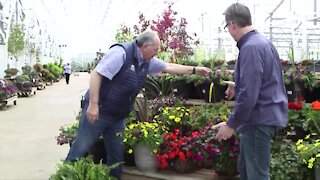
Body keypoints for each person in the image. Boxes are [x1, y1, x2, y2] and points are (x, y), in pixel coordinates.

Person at [66, 30, 212, 179]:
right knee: (80, 149)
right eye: (155, 49)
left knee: (116, 158)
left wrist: (194, 70)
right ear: (144, 46)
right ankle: (65, 175)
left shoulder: (146, 61)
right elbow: (97, 74)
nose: (157, 53)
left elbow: (167, 67)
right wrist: (93, 104)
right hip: (99, 112)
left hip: (117, 117)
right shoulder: (121, 53)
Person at [212, 3, 288, 180]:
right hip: (263, 117)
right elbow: (266, 82)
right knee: (247, 172)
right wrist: (237, 85)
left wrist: (230, 125)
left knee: (256, 176)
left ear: (232, 24)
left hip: (257, 120)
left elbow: (249, 96)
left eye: (227, 27)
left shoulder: (250, 48)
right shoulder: (263, 43)